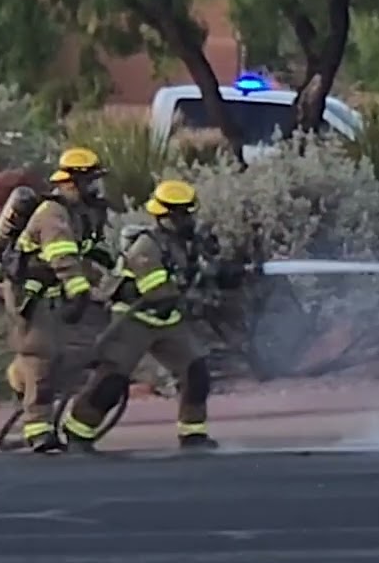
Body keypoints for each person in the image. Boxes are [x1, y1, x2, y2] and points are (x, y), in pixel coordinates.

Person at [61, 179, 246, 452]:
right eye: (177, 214)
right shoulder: (145, 247)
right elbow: (159, 292)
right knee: (111, 381)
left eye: (187, 213)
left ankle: (193, 434)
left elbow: (203, 270)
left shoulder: (188, 243)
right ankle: (77, 432)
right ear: (163, 215)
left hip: (168, 320)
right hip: (134, 319)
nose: (184, 220)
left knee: (195, 372)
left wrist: (226, 274)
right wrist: (200, 285)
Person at [3, 147, 110, 452]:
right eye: (90, 182)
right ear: (71, 182)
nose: (95, 188)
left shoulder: (80, 212)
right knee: (40, 357)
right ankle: (37, 429)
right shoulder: (53, 213)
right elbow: (60, 255)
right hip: (30, 293)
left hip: (51, 291)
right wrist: (78, 290)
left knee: (63, 355)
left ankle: (20, 377)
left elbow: (87, 249)